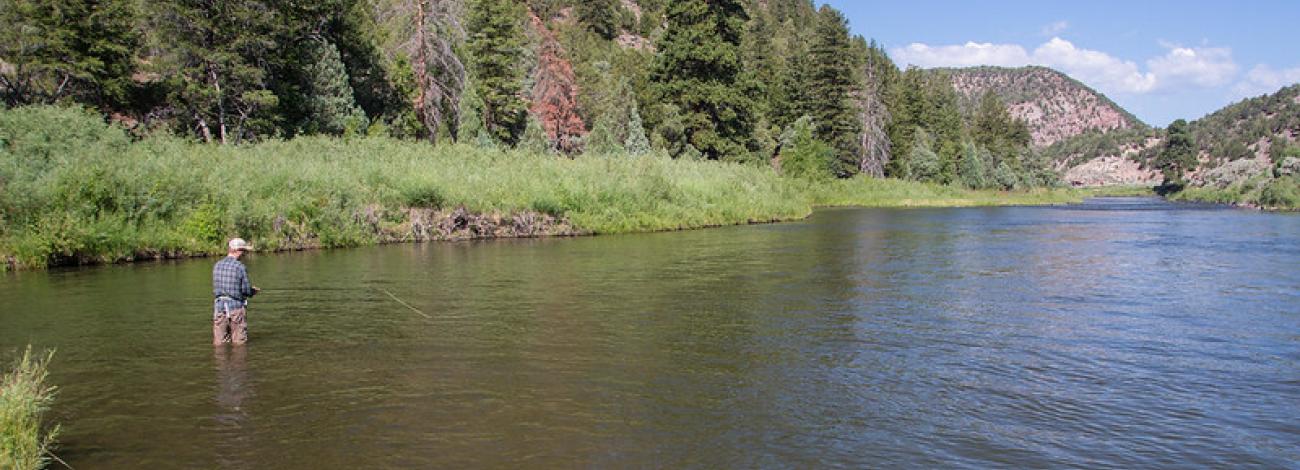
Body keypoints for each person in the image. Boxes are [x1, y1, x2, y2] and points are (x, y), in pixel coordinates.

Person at [212, 238, 260, 345]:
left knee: (219, 344)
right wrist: (253, 291)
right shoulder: (240, 267)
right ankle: (239, 361)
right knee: (239, 343)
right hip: (236, 308)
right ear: (238, 251)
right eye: (244, 251)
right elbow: (246, 290)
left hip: (219, 308)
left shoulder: (217, 265)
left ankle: (219, 361)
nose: (244, 254)